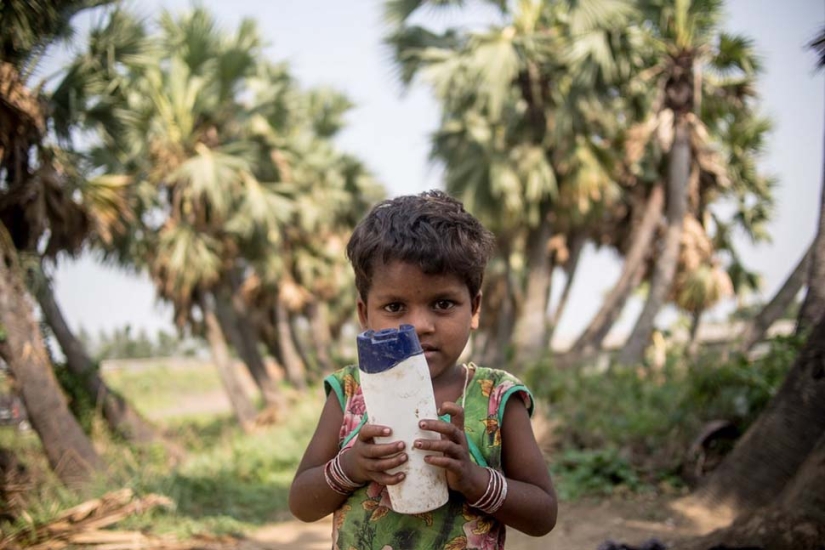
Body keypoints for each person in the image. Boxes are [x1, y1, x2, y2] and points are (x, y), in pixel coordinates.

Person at [289, 190, 557, 549]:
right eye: (395, 307)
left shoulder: (496, 398)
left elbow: (543, 515)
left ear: (474, 308)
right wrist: (351, 466)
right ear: (365, 314)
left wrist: (473, 479)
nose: (419, 325)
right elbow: (302, 503)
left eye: (442, 303)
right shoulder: (351, 391)